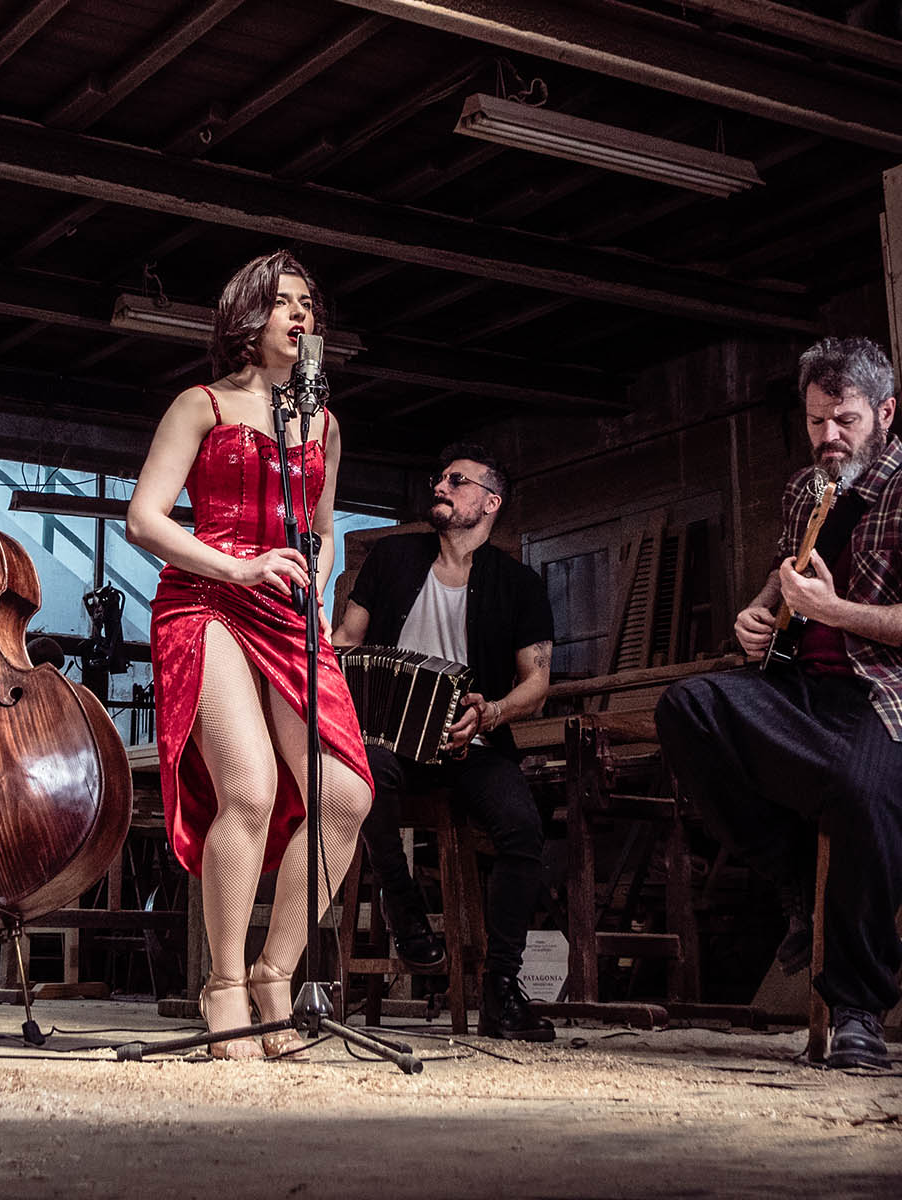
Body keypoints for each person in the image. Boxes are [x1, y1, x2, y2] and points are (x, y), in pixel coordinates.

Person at [653, 336, 902, 1070]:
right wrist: (758, 614)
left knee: (860, 790)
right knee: (688, 708)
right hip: (809, 692)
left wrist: (835, 613)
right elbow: (790, 576)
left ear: (885, 414)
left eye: (845, 420)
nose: (829, 437)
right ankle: (798, 886)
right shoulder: (808, 490)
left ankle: (859, 1011)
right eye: (816, 422)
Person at [127, 250, 374, 1058]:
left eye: (309, 304)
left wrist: (319, 585)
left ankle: (276, 973)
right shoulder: (199, 405)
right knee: (251, 788)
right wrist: (238, 567)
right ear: (247, 316)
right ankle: (224, 982)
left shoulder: (323, 423)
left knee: (345, 797)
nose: (302, 315)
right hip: (206, 598)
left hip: (286, 609)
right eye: (283, 302)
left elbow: (323, 528)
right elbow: (144, 519)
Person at [332, 444, 556, 1040]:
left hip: (471, 746)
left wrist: (492, 712)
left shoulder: (520, 584)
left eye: (458, 481)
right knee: (362, 776)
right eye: (441, 478)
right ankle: (402, 906)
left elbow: (536, 684)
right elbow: (347, 639)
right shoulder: (392, 558)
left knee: (523, 830)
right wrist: (342, 670)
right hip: (391, 739)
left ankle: (501, 987)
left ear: (490, 502)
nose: (441, 486)